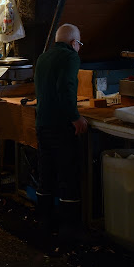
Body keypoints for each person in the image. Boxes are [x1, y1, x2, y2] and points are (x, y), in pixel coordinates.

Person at [34, 23, 87, 248]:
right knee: (68, 174)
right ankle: (69, 229)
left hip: (43, 123)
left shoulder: (43, 57)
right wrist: (75, 117)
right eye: (79, 44)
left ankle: (44, 222)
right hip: (60, 125)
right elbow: (65, 87)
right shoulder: (70, 57)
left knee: (46, 171)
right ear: (74, 43)